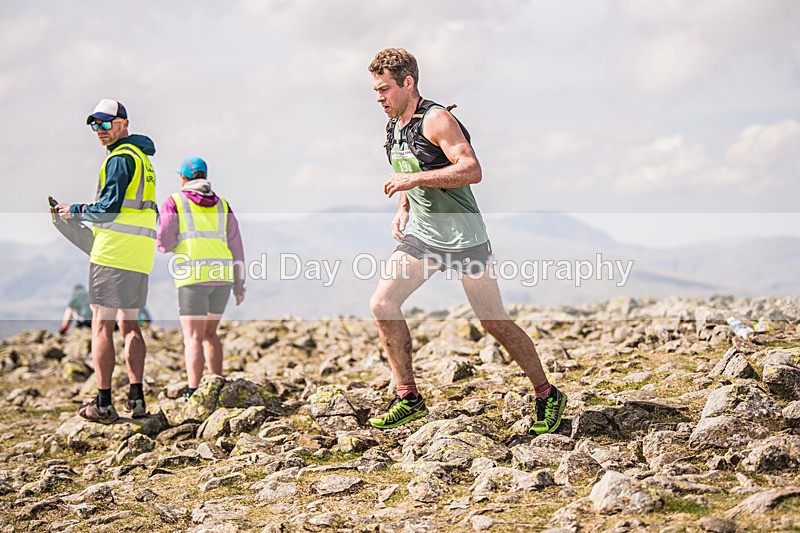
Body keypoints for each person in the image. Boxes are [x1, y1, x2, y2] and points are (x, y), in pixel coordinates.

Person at [366, 49, 567, 434]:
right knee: (382, 303)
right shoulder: (394, 125)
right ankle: (408, 396)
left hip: (464, 237)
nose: (379, 97)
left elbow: (471, 170)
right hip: (424, 236)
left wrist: (415, 182)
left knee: (493, 321)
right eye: (375, 90)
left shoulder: (438, 119)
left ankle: (547, 393)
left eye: (384, 89)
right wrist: (404, 207)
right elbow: (406, 167)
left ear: (408, 83)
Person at [55, 99, 157, 424]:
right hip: (139, 255)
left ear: (123, 123)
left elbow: (108, 209)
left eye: (105, 123)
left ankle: (103, 403)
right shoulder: (143, 160)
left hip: (112, 254)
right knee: (131, 327)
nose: (99, 130)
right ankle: (137, 398)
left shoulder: (120, 159)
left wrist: (74, 211)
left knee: (101, 324)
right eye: (94, 125)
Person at [157, 157, 245, 400]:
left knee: (193, 337)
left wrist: (167, 247)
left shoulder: (174, 201)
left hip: (193, 277)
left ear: (184, 178)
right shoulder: (223, 205)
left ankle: (194, 391)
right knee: (210, 334)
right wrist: (239, 284)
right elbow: (236, 247)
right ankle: (217, 386)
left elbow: (164, 236)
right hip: (222, 276)